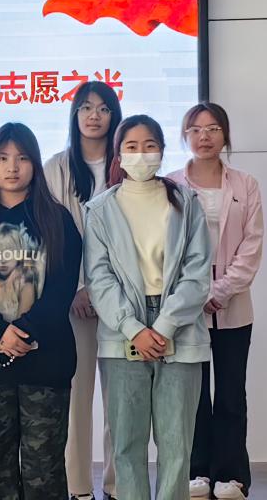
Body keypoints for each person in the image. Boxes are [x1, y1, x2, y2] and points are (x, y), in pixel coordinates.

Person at [0, 123, 81, 500]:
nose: (12, 167)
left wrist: (24, 330)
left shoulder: (57, 219)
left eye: (22, 158)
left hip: (46, 361)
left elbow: (61, 287)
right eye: (3, 158)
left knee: (44, 467)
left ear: (35, 164)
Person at [84, 115, 212, 500]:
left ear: (162, 150)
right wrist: (134, 329)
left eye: (149, 146)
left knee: (177, 445)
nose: (141, 155)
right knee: (126, 444)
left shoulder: (186, 202)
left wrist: (166, 324)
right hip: (123, 331)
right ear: (119, 154)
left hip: (180, 327)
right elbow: (99, 277)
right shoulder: (100, 209)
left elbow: (197, 272)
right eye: (132, 147)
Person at [167, 103, 264, 500]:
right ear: (185, 136)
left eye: (212, 129)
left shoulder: (245, 184)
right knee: (191, 394)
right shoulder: (170, 184)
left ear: (225, 134)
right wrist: (194, 293)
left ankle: (232, 475)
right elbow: (165, 250)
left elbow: (252, 246)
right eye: (195, 129)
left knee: (230, 394)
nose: (204, 136)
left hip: (233, 309)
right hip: (185, 309)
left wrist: (220, 290)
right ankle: (197, 471)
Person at [42, 81, 122, 500]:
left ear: (114, 116)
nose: (94, 115)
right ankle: (77, 487)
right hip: (72, 303)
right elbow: (49, 235)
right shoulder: (55, 167)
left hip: (122, 301)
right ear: (75, 115)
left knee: (120, 398)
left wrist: (104, 288)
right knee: (76, 397)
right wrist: (77, 287)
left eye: (103, 108)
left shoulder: (125, 165)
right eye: (86, 107)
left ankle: (117, 483)